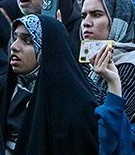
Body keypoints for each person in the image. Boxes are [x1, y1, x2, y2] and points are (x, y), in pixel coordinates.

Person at [6, 14, 98, 153]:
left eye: (27, 40)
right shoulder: (7, 91)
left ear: (48, 48)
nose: (14, 47)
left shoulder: (75, 107)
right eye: (15, 38)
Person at [81, 0, 135, 118]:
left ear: (117, 20)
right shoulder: (84, 60)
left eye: (96, 15)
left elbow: (118, 119)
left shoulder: (132, 62)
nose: (86, 23)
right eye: (83, 16)